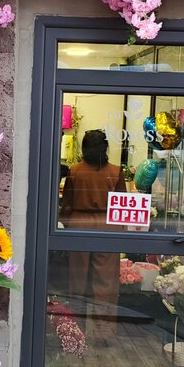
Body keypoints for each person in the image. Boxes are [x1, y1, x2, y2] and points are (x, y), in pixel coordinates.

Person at [59, 130, 126, 343]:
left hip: (79, 225)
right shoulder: (116, 172)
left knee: (77, 281)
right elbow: (121, 207)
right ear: (105, 148)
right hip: (108, 227)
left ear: (84, 148)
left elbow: (67, 204)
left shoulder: (75, 171)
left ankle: (74, 334)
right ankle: (104, 334)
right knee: (105, 283)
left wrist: (69, 224)